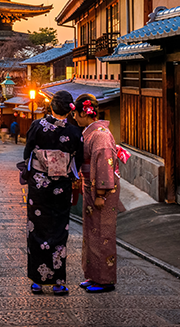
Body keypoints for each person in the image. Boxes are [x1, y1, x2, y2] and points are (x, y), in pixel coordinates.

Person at [23, 90, 83, 296]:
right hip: (61, 187)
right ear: (69, 110)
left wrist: (36, 170)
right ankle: (58, 282)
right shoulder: (75, 132)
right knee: (59, 231)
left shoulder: (36, 126)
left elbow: (28, 153)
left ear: (51, 106)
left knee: (37, 229)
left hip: (39, 186)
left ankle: (37, 282)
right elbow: (78, 160)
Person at [73, 93, 129, 294]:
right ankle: (94, 275)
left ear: (83, 113)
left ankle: (105, 279)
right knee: (91, 231)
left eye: (76, 114)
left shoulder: (100, 135)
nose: (74, 118)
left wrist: (100, 194)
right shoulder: (92, 132)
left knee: (103, 232)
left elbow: (104, 166)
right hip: (91, 186)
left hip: (101, 190)